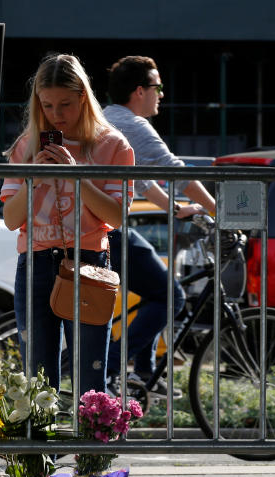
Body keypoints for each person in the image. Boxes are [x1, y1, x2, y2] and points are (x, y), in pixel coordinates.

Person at [0, 53, 135, 398]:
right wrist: (34, 178)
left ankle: (91, 452)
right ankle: (42, 453)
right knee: (38, 379)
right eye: (47, 106)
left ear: (84, 99)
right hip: (37, 263)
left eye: (66, 105)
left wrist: (76, 176)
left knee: (91, 377)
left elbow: (118, 217)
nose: (57, 115)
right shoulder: (26, 146)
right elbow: (12, 220)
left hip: (89, 262)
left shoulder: (113, 145)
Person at [103, 55, 218, 394]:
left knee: (158, 285)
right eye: (158, 87)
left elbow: (141, 181)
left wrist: (176, 209)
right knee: (171, 296)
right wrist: (219, 211)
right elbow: (175, 170)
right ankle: (113, 366)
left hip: (100, 224)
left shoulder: (112, 117)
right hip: (105, 228)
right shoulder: (132, 124)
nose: (161, 95)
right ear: (139, 91)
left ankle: (143, 371)